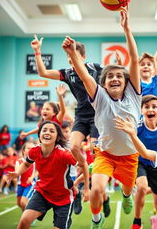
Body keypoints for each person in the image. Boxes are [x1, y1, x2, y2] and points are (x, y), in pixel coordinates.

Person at [62, 7, 141, 229]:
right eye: (110, 76)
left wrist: (126, 29)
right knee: (96, 189)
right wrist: (73, 53)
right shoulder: (99, 97)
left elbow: (133, 59)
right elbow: (84, 74)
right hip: (105, 154)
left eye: (119, 76)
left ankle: (126, 195)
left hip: (129, 156)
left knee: (127, 189)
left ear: (125, 82)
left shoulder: (134, 95)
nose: (115, 78)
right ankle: (96, 220)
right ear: (103, 84)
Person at [31, 35, 103, 200]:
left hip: (97, 114)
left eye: (74, 55)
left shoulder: (95, 67)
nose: (70, 59)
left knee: (95, 151)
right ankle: (82, 171)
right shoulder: (68, 73)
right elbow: (43, 72)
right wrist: (37, 51)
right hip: (81, 115)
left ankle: (93, 184)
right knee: (74, 147)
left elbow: (117, 73)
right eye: (68, 56)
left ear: (83, 57)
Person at [6, 121, 88, 229]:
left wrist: (86, 188)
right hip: (42, 192)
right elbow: (26, 164)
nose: (47, 132)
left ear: (57, 137)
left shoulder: (64, 154)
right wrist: (17, 173)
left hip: (63, 197)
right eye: (44, 130)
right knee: (24, 221)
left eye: (51, 131)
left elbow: (84, 165)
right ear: (39, 135)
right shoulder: (34, 151)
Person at [131, 95, 157, 229]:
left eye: (154, 107)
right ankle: (137, 220)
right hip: (139, 161)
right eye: (147, 107)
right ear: (141, 110)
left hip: (156, 162)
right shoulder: (137, 125)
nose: (151, 109)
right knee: (143, 187)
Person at [15, 142, 36, 212]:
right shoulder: (19, 161)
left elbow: (38, 171)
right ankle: (25, 216)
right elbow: (17, 171)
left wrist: (32, 177)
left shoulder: (35, 160)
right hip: (20, 184)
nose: (30, 150)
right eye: (28, 148)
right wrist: (15, 174)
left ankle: (27, 218)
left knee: (23, 202)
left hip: (30, 184)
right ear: (23, 151)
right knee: (18, 203)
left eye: (32, 148)